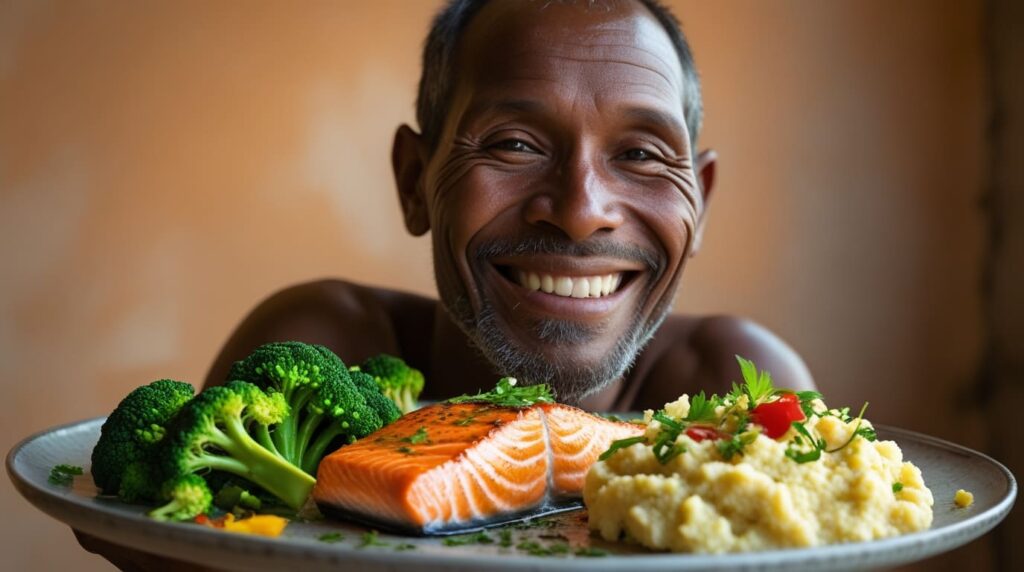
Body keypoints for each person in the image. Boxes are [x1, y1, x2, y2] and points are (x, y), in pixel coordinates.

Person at [77, 0, 813, 568]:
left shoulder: (747, 397)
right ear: (415, 183)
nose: (583, 212)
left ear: (701, 201)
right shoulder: (324, 347)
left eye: (644, 154)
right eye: (513, 143)